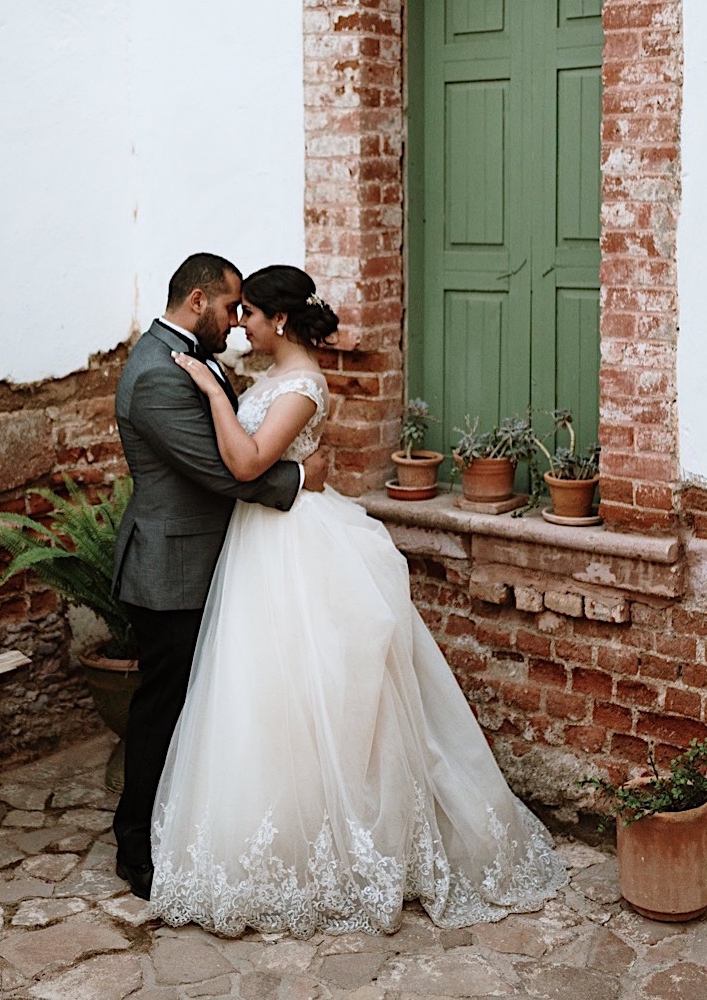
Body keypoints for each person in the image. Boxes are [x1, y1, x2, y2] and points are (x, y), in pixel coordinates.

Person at [151, 264, 569, 937]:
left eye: (249, 314)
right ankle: (278, 835)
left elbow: (247, 463)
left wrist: (209, 393)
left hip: (295, 546)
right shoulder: (268, 377)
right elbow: (285, 466)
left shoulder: (304, 385)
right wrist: (251, 421)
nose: (239, 325)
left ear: (279, 320)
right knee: (266, 694)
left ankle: (342, 844)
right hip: (263, 542)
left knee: (317, 690)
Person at [110, 252, 329, 900]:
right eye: (231, 308)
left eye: (247, 311)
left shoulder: (189, 355)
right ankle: (137, 848)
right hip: (170, 567)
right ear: (199, 301)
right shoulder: (157, 372)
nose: (236, 323)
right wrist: (298, 478)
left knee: (206, 706)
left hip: (216, 558)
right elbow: (215, 467)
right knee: (163, 709)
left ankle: (189, 828)